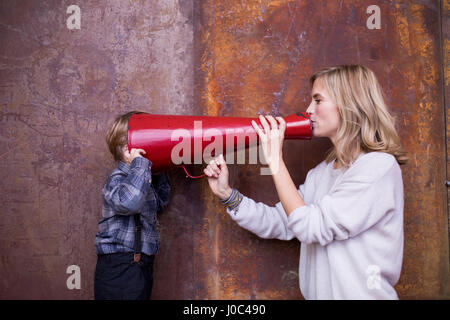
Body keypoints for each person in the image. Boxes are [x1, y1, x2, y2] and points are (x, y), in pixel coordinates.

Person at [204, 65, 407, 300]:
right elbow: (283, 221)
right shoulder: (321, 174)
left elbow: (311, 227)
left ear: (350, 105)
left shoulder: (378, 168)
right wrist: (228, 194)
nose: (309, 110)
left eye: (318, 100)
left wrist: (275, 161)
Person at [94, 111, 171, 300]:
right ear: (126, 149)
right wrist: (141, 165)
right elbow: (130, 203)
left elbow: (160, 202)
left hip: (140, 265)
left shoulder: (143, 179)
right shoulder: (117, 178)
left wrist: (160, 169)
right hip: (119, 266)